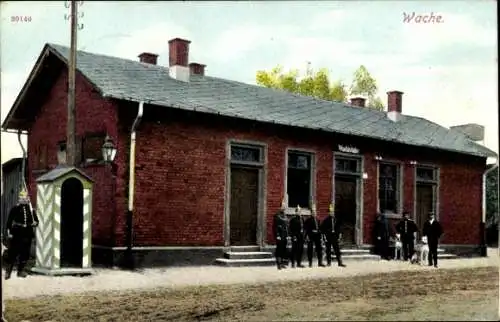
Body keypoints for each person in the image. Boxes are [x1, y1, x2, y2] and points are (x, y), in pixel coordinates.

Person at [5, 189, 38, 280]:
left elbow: (36, 221)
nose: (24, 199)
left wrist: (35, 223)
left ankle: (20, 271)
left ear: (28, 199)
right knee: (13, 253)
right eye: (22, 197)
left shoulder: (30, 209)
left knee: (25, 253)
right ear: (19, 199)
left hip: (27, 233)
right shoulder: (15, 208)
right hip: (17, 233)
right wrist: (10, 233)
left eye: (25, 197)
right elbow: (9, 221)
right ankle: (8, 272)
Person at [273, 199, 289, 270]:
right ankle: (278, 264)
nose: (284, 207)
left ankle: (282, 263)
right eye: (283, 206)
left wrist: (288, 235)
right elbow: (275, 227)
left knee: (283, 249)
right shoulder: (277, 215)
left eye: (285, 206)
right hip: (279, 235)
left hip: (285, 235)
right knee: (279, 249)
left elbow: (286, 226)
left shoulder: (285, 216)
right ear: (280, 207)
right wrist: (277, 235)